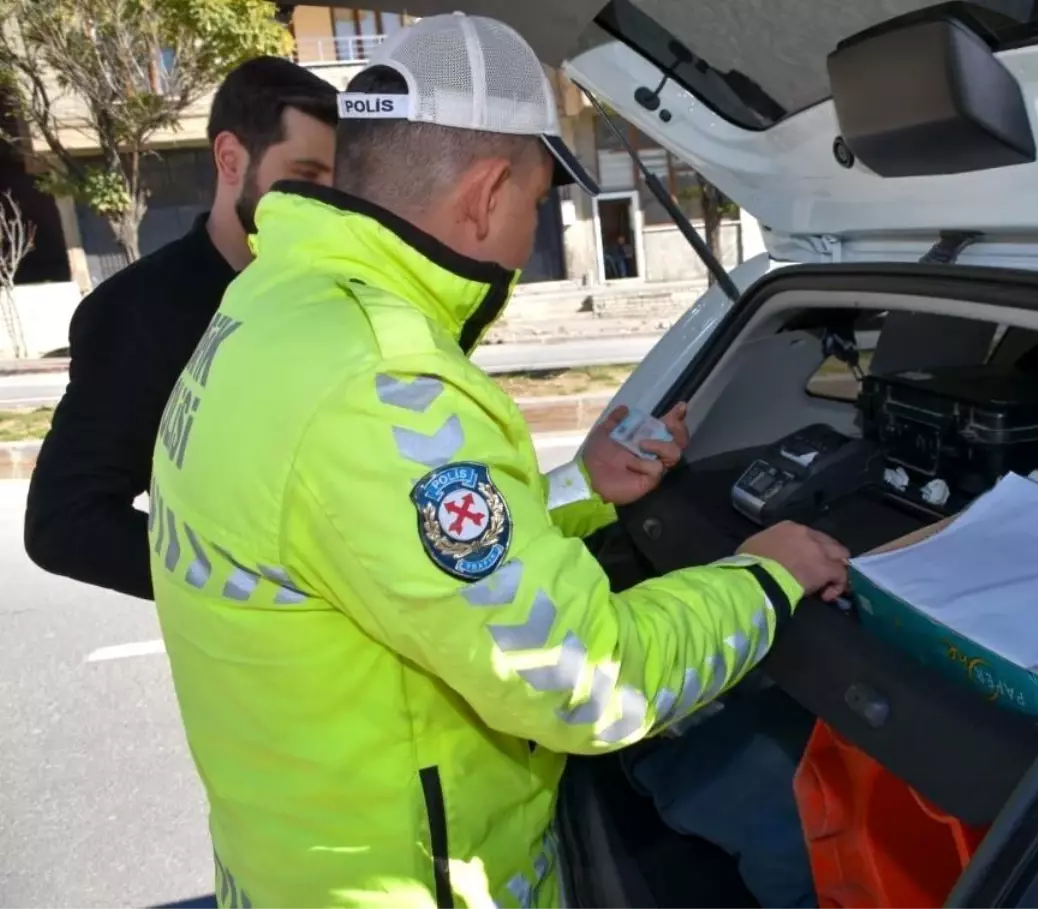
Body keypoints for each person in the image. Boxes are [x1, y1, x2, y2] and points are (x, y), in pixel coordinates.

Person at [149, 14, 848, 909]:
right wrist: (766, 577)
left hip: (291, 861)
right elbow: (591, 679)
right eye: (535, 202)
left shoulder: (275, 305)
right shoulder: (386, 381)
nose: (527, 232)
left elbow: (393, 552)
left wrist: (582, 490)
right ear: (485, 195)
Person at [24, 57, 338, 599]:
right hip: (255, 661)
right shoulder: (139, 311)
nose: (327, 202)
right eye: (306, 177)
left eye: (337, 182)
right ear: (230, 157)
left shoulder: (337, 292)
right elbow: (64, 522)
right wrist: (255, 593)